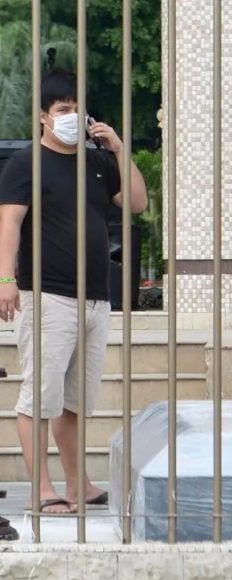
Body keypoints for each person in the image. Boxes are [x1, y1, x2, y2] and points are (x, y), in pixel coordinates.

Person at [0, 68, 148, 514]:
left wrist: (119, 149)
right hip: (48, 296)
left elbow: (137, 202)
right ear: (44, 116)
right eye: (63, 109)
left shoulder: (99, 163)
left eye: (77, 109)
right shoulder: (27, 162)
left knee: (73, 403)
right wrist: (6, 280)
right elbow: (10, 221)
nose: (72, 116)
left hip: (96, 299)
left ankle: (77, 483)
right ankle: (42, 490)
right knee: (39, 398)